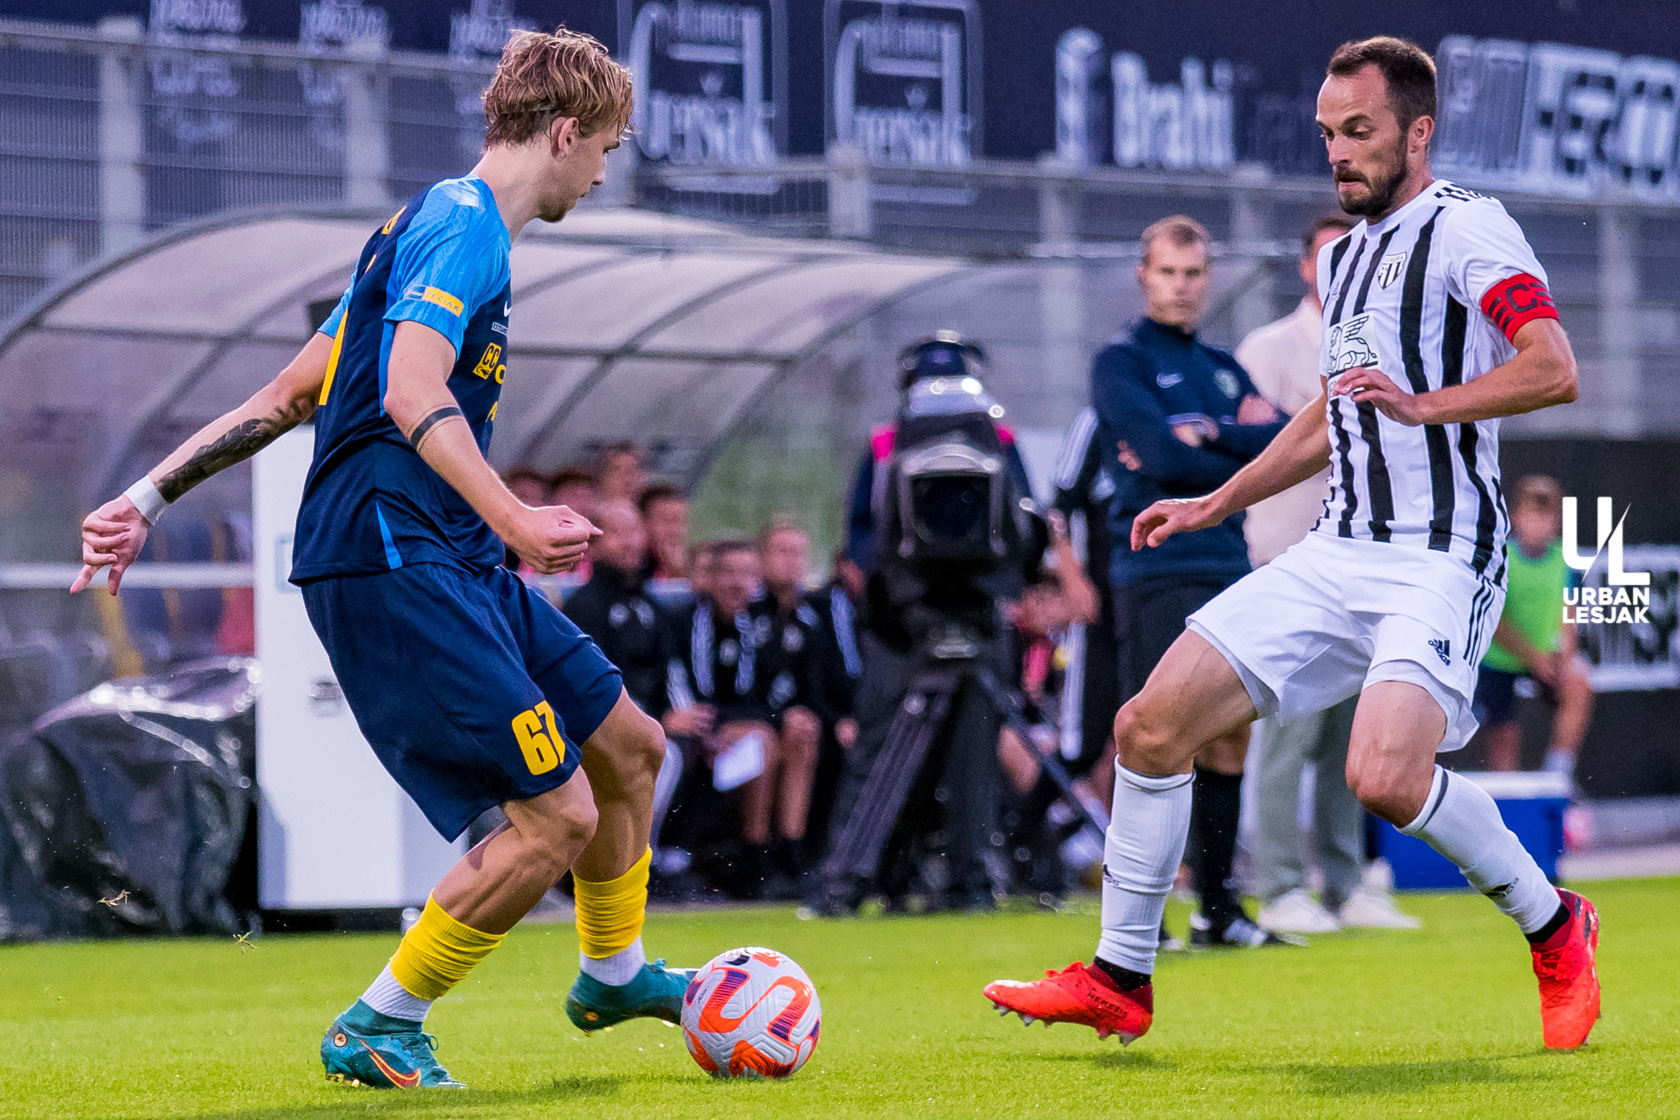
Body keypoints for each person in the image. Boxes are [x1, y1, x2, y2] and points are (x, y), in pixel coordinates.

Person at [73, 29, 695, 1090]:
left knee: (630, 747)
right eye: (607, 146)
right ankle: (380, 1022)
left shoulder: (418, 226)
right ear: (563, 132)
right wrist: (516, 517)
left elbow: (289, 394)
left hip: (451, 558)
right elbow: (411, 390)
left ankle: (614, 973)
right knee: (556, 817)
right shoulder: (465, 230)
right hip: (391, 560)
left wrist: (142, 498)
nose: (603, 172)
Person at [985, 36, 1600, 1053]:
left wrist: (1426, 404)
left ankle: (1553, 922)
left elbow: (1553, 366)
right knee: (1148, 727)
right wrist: (1216, 500)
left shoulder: (1470, 229)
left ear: (1418, 131)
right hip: (1336, 548)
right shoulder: (1345, 257)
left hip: (1441, 551)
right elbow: (1330, 412)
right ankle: (1119, 977)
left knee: (1384, 777)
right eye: (1326, 135)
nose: (1338, 152)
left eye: (1359, 131)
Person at [1083, 212, 1290, 950]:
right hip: (1157, 565)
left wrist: (1211, 435)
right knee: (1155, 737)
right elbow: (1159, 457)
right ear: (1144, 276)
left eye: (1194, 273)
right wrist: (1231, 447)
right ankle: (1144, 918)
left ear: (1208, 279)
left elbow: (1285, 444)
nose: (1181, 285)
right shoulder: (1121, 361)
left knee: (1231, 733)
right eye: (1168, 272)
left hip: (1230, 564)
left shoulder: (1224, 367)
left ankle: (1219, 910)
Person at [1239, 216, 1419, 935]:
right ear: (1304, 265)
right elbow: (1263, 443)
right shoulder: (1268, 347)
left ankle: (1345, 883)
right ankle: (1281, 883)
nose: (1342, 266)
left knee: (1352, 737)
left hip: (1363, 558)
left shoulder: (1377, 342)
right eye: (1328, 255)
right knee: (1290, 733)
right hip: (1288, 559)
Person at [662, 539, 785, 896]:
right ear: (709, 578)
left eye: (746, 574)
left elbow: (771, 695)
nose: (737, 583)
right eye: (729, 572)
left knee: (786, 734)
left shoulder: (763, 627)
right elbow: (677, 688)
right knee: (760, 740)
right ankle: (751, 862)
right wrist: (709, 732)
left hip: (740, 730)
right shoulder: (680, 623)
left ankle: (778, 857)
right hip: (692, 730)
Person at [1474, 475, 1595, 776]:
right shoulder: (1500, 558)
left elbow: (1569, 615)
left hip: (1545, 659)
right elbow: (1495, 622)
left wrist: (1565, 658)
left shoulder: (1564, 558)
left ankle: (1558, 775)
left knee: (1579, 682)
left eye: (1547, 516)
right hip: (1498, 661)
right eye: (1532, 514)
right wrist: (1535, 658)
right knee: (1504, 745)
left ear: (1557, 522)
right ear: (1516, 517)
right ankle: (1507, 798)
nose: (1539, 523)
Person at [755, 520, 827, 886]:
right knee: (769, 740)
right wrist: (775, 717)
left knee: (806, 729)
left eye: (797, 553)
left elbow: (823, 684)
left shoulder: (814, 616)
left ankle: (793, 855)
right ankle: (758, 858)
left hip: (796, 725)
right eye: (782, 551)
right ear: (762, 558)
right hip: (748, 723)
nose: (790, 560)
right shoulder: (744, 613)